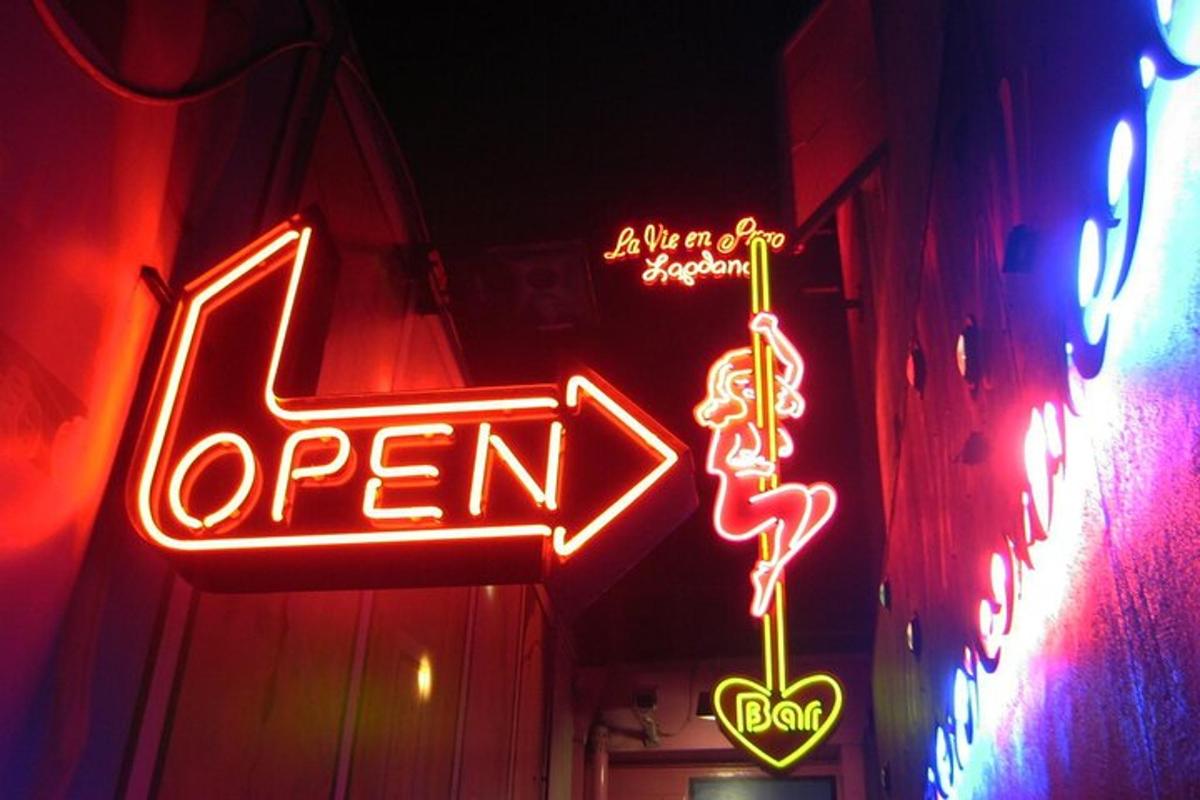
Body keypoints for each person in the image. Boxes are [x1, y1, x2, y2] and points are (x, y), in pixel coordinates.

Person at [694, 311, 836, 617]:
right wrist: (754, 466)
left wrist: (772, 331)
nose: (753, 392)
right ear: (730, 391)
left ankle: (773, 566)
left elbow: (795, 366)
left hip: (763, 505)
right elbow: (719, 465)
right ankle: (772, 566)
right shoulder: (733, 427)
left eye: (757, 385)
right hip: (738, 511)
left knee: (821, 499)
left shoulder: (768, 423)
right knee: (798, 499)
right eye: (744, 387)